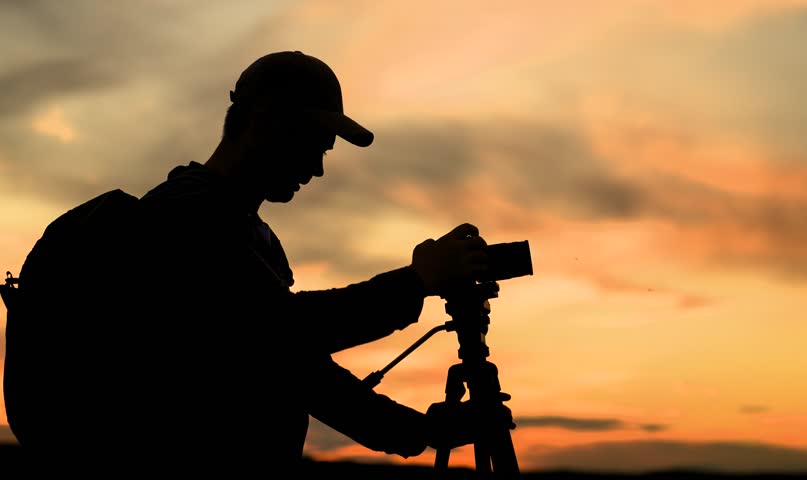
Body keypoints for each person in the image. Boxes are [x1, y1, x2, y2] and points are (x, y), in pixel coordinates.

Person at [25, 50, 511, 476]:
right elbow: (285, 331)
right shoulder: (181, 217)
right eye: (315, 146)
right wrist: (418, 280)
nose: (318, 169)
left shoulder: (249, 235)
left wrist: (421, 431)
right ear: (268, 123)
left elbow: (296, 370)